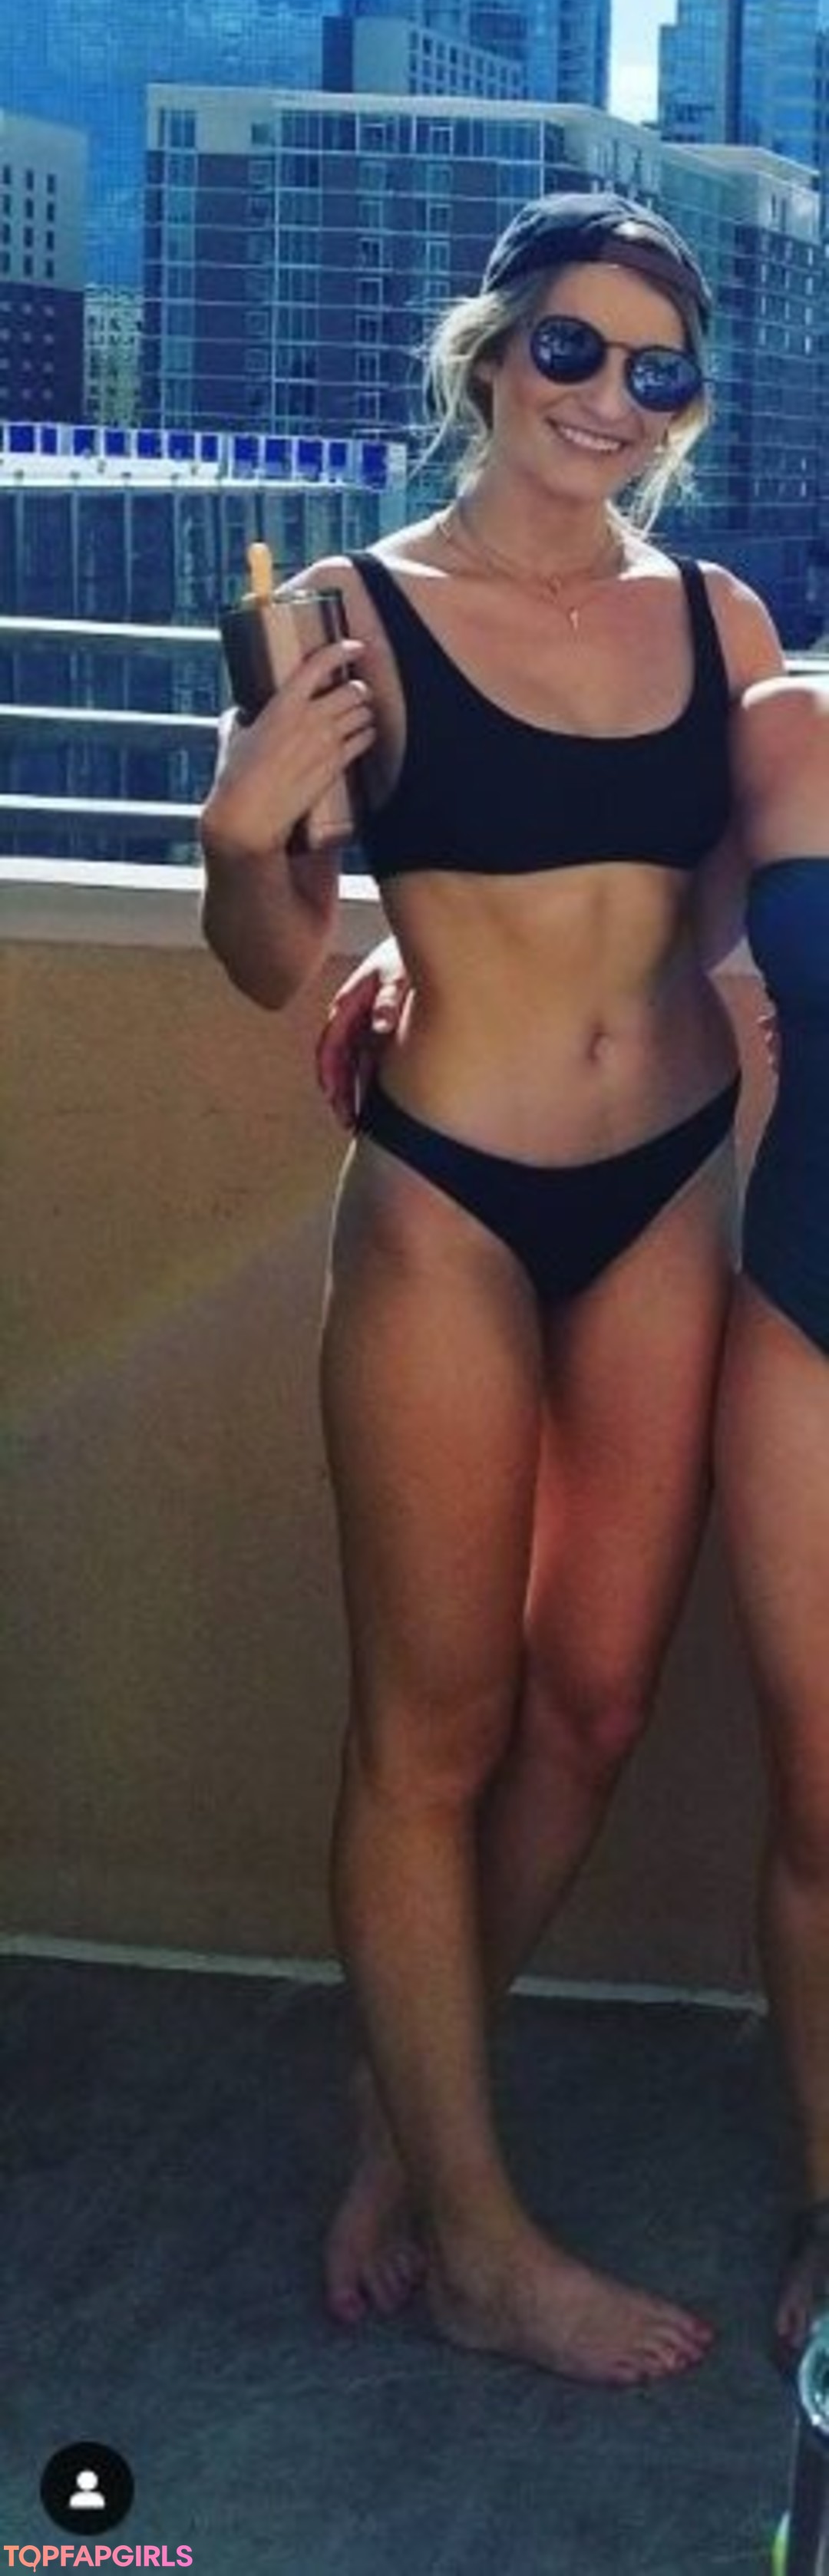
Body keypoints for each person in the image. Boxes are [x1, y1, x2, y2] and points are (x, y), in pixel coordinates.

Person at [200, 190, 784, 2386]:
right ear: (487, 351)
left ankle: (403, 2105)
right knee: (428, 1731)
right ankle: (474, 2232)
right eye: (570, 348)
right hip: (447, 1200)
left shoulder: (720, 616)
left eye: (659, 372)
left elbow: (721, 888)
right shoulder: (344, 620)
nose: (609, 399)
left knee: (594, 1705)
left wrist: (670, 971)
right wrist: (246, 845)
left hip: (662, 1192)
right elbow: (266, 959)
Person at [716, 676, 829, 2370]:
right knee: (824, 1802)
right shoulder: (786, 730)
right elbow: (611, 919)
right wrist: (413, 955)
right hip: (806, 1317)